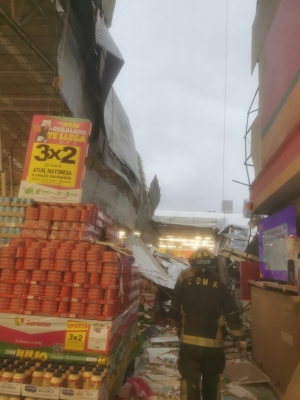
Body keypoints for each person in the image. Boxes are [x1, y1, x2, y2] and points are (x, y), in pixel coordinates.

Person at [169, 248, 244, 400]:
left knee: (190, 382)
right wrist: (239, 338)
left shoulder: (184, 285)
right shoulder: (221, 288)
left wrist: (178, 326)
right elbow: (232, 315)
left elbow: (173, 312)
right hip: (213, 349)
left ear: (193, 266)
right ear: (213, 266)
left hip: (188, 347)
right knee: (211, 383)